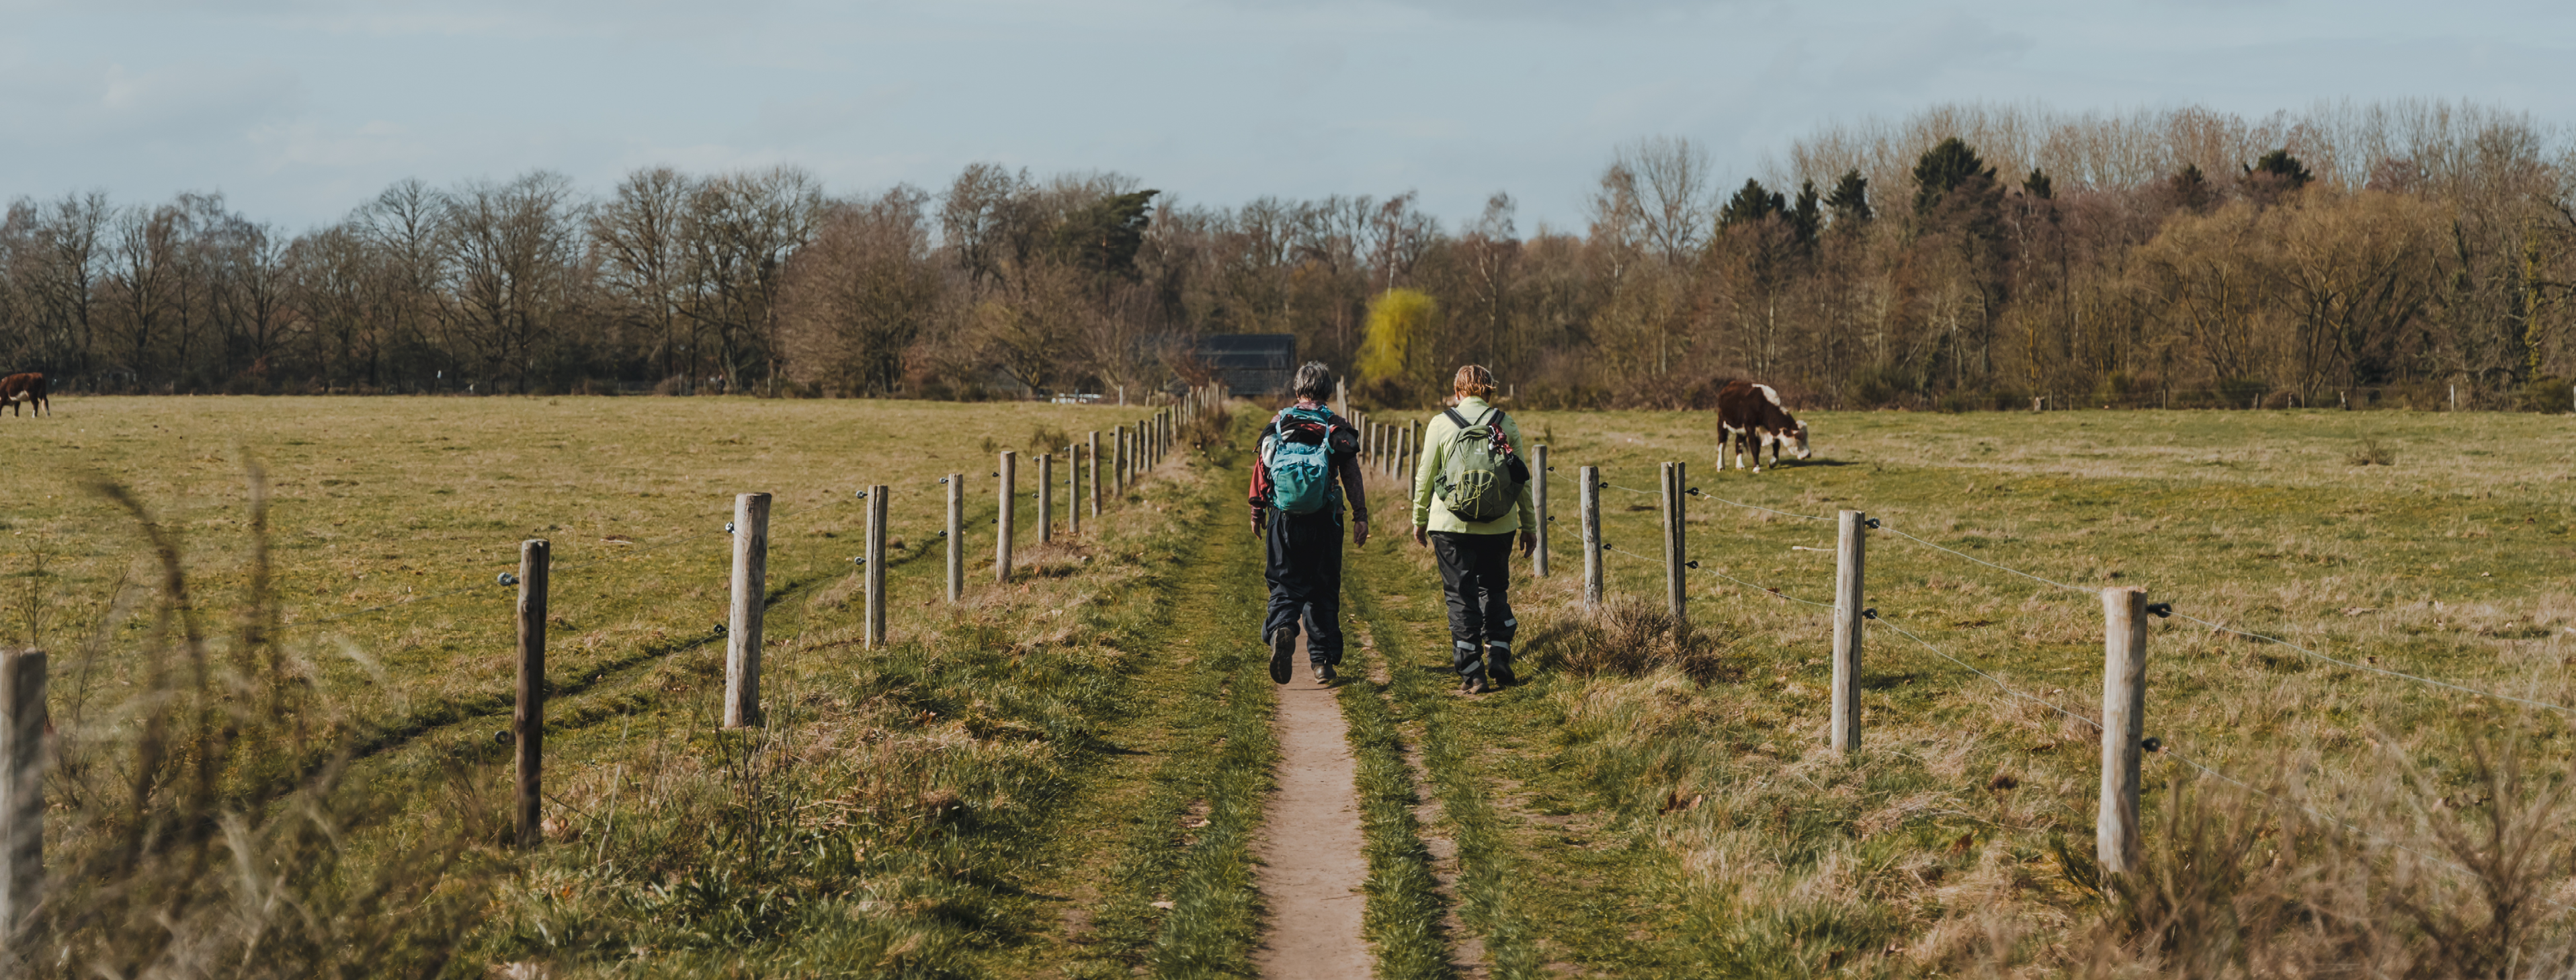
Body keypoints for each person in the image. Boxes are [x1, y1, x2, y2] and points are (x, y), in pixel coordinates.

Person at [1411, 365, 1534, 694]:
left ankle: (1473, 672)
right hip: (1499, 524)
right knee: (1494, 589)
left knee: (1460, 594)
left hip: (1449, 523)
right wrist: (1530, 526)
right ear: (1490, 391)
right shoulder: (1505, 423)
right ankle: (1500, 656)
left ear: (1458, 391)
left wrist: (1419, 518)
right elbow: (1521, 479)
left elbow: (1426, 474)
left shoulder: (1441, 423)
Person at [1249, 362, 1369, 686]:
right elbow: (1351, 475)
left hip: (1283, 518)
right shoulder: (1335, 424)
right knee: (1323, 588)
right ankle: (1322, 663)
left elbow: (1261, 467)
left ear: (1298, 390)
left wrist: (1257, 511)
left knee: (1284, 583)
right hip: (1326, 519)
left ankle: (1283, 629)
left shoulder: (1280, 422)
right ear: (1327, 392)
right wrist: (1360, 515)